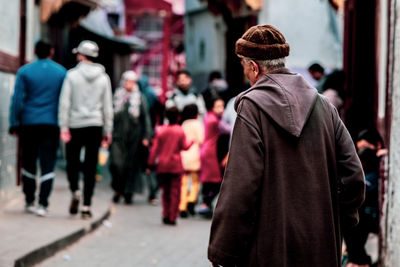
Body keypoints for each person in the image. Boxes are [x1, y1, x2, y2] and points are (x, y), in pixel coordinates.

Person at [208, 24, 365, 267]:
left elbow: (241, 187)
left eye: (244, 67)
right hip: (321, 248)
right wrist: (337, 221)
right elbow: (354, 176)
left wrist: (223, 252)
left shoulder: (252, 109)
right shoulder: (325, 107)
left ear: (254, 66)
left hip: (267, 249)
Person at [9, 40, 66, 216]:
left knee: (29, 161)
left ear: (34, 51)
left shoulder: (24, 71)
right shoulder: (61, 73)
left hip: (29, 123)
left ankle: (29, 200)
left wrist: (13, 122)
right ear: (51, 51)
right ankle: (43, 203)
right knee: (48, 163)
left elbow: (17, 99)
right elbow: (65, 101)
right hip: (51, 123)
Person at [59, 40, 113, 219]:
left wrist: (64, 126)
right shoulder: (104, 78)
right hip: (95, 125)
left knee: (72, 162)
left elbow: (65, 103)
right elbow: (107, 107)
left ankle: (75, 190)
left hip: (75, 124)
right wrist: (108, 130)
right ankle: (87, 206)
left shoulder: (71, 76)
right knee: (91, 166)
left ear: (82, 55)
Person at [343, 129, 387, 267]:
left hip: (375, 214)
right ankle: (357, 260)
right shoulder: (367, 164)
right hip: (367, 211)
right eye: (360, 149)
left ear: (378, 145)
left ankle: (358, 261)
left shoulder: (383, 162)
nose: (363, 153)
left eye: (366, 148)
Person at [109, 70, 151, 204]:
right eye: (127, 81)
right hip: (117, 137)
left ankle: (128, 192)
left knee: (131, 166)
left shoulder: (139, 98)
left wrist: (146, 136)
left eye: (132, 82)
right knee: (117, 164)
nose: (129, 84)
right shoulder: (117, 97)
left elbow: (146, 118)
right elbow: (109, 116)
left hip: (134, 138)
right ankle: (117, 189)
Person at [147, 107, 193, 225]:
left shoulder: (160, 130)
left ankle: (166, 214)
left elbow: (155, 149)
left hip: (162, 165)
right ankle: (172, 216)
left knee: (165, 192)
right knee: (175, 192)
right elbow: (184, 146)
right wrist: (192, 142)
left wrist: (150, 163)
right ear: (178, 117)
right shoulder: (179, 130)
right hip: (175, 165)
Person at [198, 97, 227, 218]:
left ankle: (205, 203)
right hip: (210, 152)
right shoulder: (214, 120)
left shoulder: (208, 116)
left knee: (208, 180)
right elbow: (227, 129)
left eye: (222, 106)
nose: (221, 109)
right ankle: (205, 204)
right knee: (216, 180)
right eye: (218, 107)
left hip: (207, 150)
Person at [179, 104, 204, 217]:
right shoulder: (197, 124)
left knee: (183, 183)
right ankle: (191, 200)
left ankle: (182, 206)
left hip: (183, 155)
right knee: (195, 181)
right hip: (194, 154)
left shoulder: (184, 124)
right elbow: (201, 139)